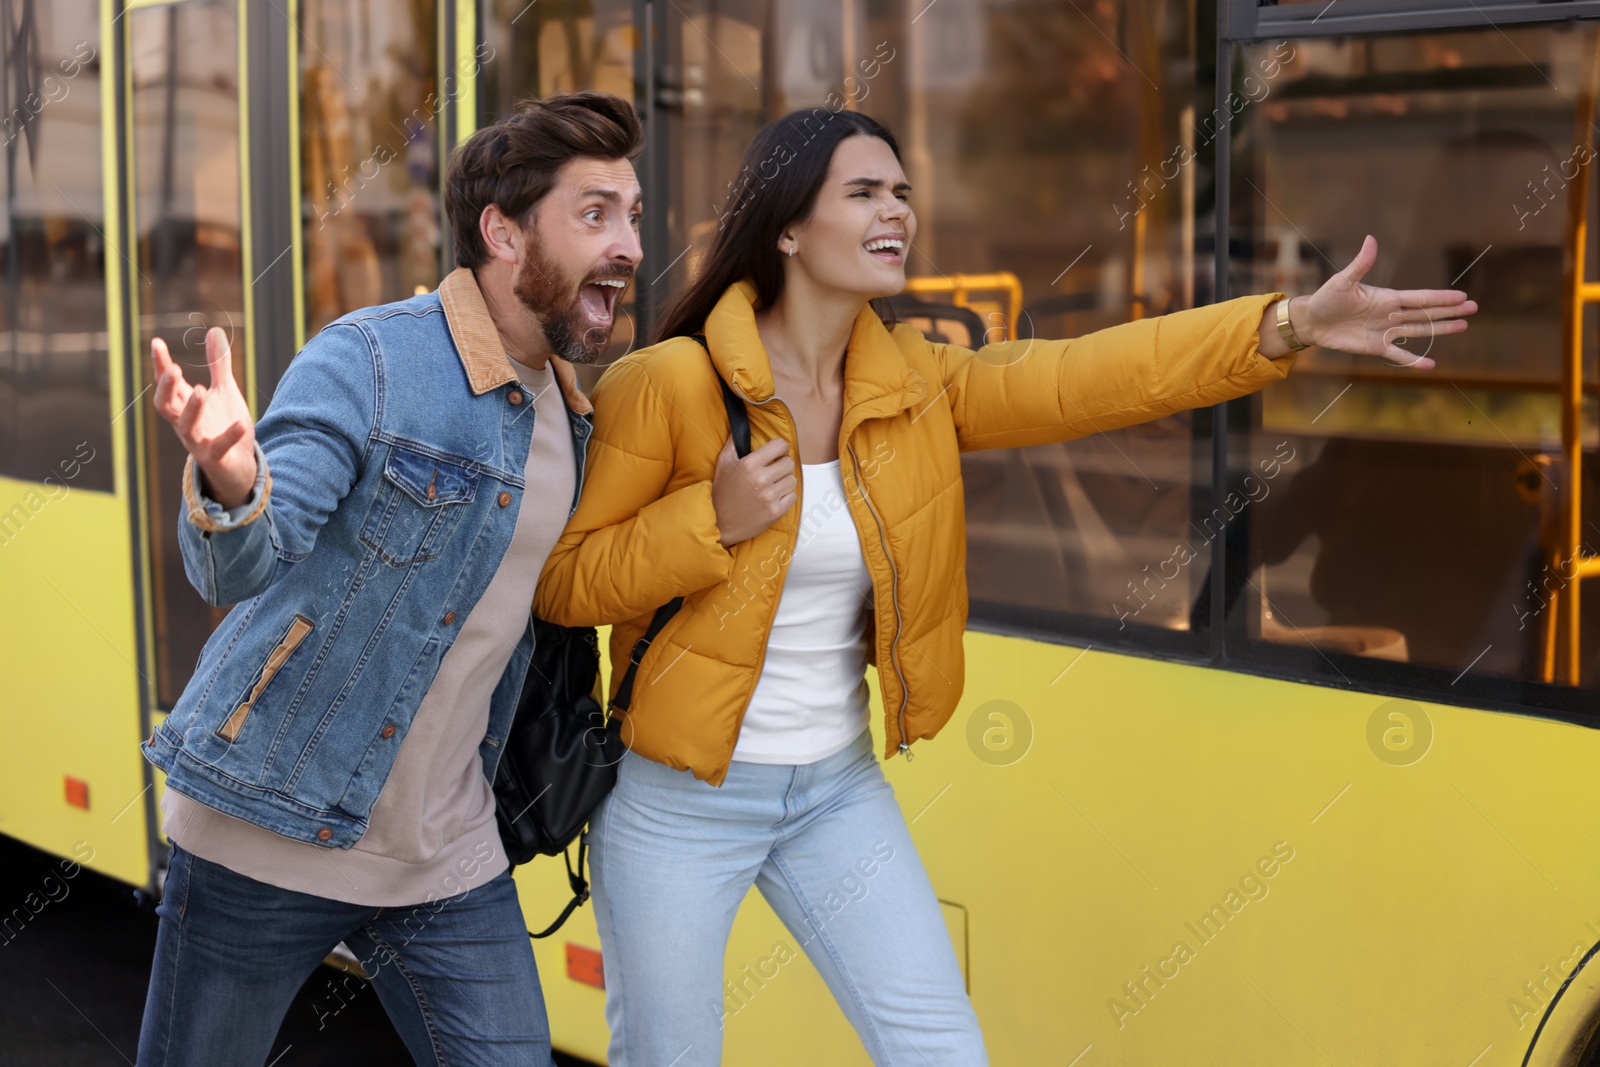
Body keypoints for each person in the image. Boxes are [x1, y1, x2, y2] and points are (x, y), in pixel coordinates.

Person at [534, 108, 1476, 1065]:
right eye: (862, 192)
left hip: (835, 789)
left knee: (942, 1048)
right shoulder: (668, 385)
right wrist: (709, 522)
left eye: (900, 190)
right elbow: (565, 584)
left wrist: (1288, 325)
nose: (894, 208)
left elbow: (1092, 377)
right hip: (679, 803)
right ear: (786, 224)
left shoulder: (917, 385)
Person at [136, 91, 643, 1066]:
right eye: (593, 214)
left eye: (628, 214)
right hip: (266, 827)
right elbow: (241, 558)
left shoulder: (569, 418)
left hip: (444, 851)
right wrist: (230, 477)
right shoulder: (371, 358)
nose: (625, 243)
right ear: (501, 232)